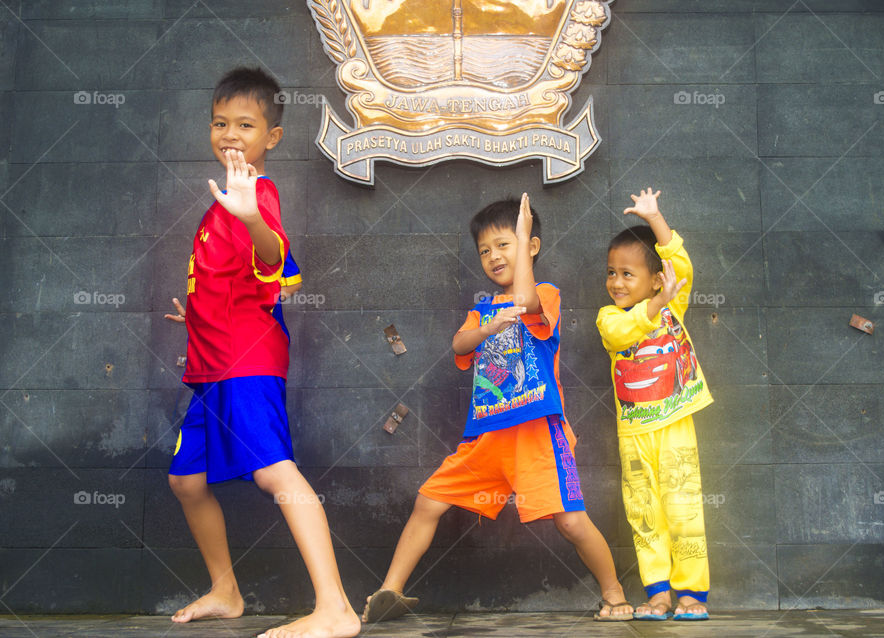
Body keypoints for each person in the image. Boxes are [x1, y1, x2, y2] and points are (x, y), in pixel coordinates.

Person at [361, 194, 634, 623]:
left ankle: (615, 595)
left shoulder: (545, 295)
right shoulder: (481, 309)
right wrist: (487, 326)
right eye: (485, 250)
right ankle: (389, 591)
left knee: (571, 523)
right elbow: (459, 345)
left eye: (505, 244)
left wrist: (522, 234)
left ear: (531, 247)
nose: (493, 256)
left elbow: (525, 302)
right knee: (428, 501)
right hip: (486, 437)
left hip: (537, 434)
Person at [162, 66, 359, 638]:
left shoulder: (256, 193)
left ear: (271, 137)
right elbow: (236, 280)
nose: (230, 133)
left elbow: (271, 256)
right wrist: (196, 313)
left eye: (245, 124)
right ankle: (226, 591)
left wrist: (250, 215)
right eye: (220, 122)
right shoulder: (219, 200)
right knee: (186, 481)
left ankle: (335, 608)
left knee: (276, 474)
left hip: (246, 363)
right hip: (211, 364)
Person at [597, 188, 713, 621]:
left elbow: (678, 265)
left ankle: (690, 593)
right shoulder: (610, 317)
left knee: (684, 508)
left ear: (655, 279)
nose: (616, 282)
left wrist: (655, 218)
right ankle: (658, 593)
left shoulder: (673, 304)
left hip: (675, 426)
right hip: (634, 435)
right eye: (611, 272)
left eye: (627, 273)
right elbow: (621, 335)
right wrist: (654, 304)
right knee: (644, 514)